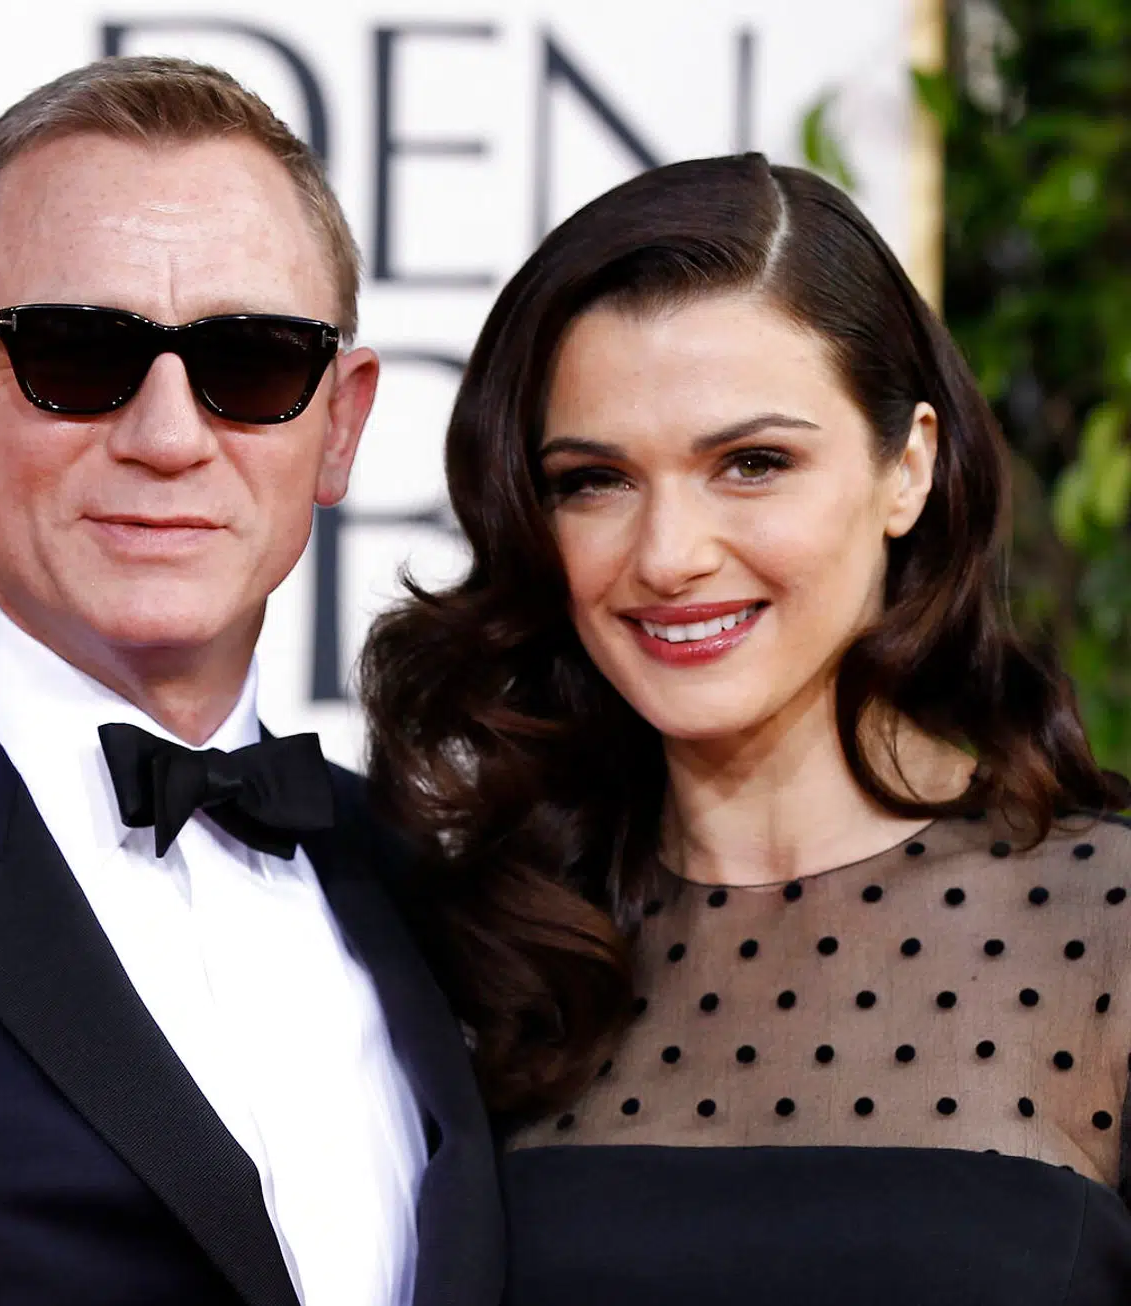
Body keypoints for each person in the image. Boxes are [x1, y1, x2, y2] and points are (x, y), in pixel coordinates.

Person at [0, 56, 500, 1306]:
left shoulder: (429, 883)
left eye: (252, 362)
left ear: (338, 425)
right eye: (74, 354)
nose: (169, 438)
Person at [360, 153, 1131, 1305]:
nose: (669, 555)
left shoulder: (1109, 924)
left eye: (753, 464)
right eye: (595, 480)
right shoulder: (479, 945)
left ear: (908, 467)